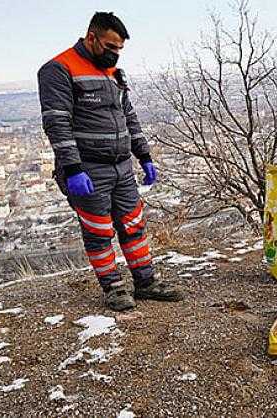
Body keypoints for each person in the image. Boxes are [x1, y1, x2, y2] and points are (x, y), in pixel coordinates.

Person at [38, 12, 183, 311]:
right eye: (110, 46)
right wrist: (73, 168)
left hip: (121, 166)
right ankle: (114, 288)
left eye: (119, 49)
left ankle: (146, 283)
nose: (114, 54)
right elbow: (57, 123)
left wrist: (143, 155)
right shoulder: (59, 69)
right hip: (88, 168)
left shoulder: (113, 73)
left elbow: (128, 116)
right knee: (99, 231)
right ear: (91, 38)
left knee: (133, 225)